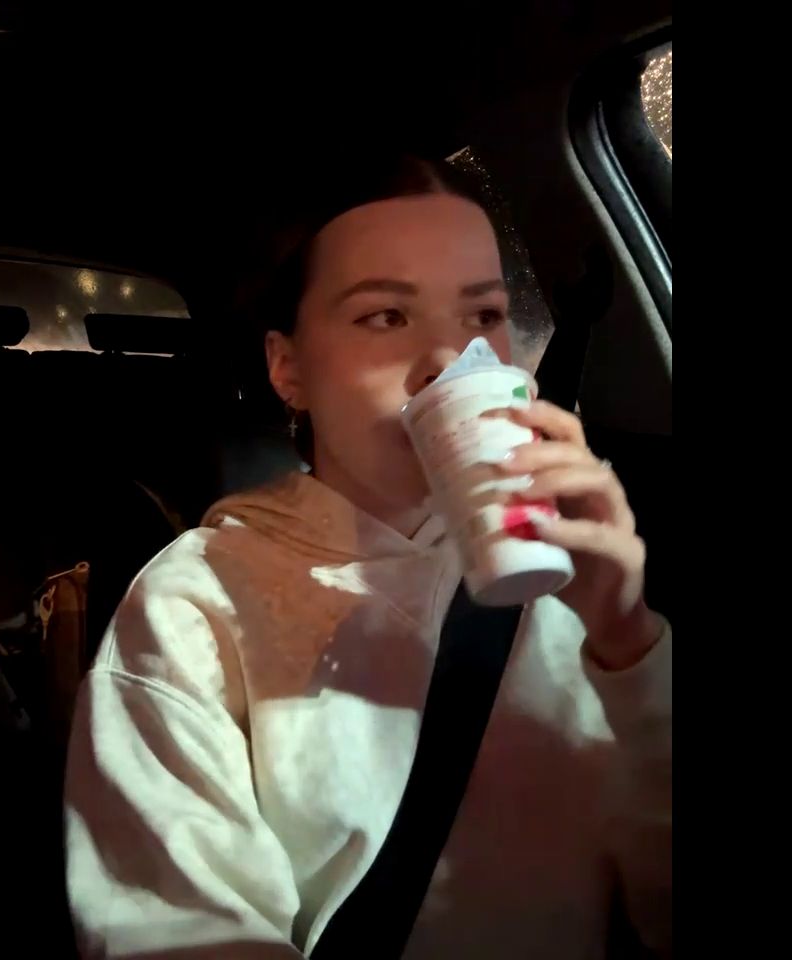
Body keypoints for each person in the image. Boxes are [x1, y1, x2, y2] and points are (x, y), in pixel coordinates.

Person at [64, 156, 672, 959]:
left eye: (484, 314)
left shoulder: (577, 580)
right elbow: (180, 932)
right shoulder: (193, 603)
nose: (450, 358)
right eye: (386, 316)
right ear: (288, 367)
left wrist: (628, 643)